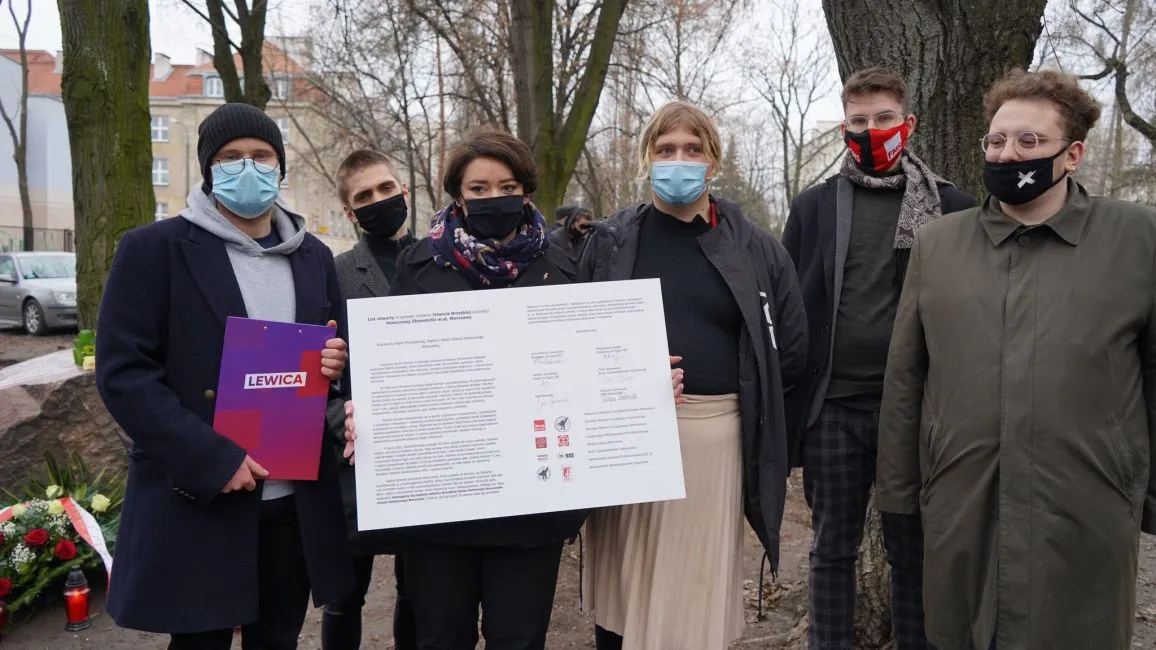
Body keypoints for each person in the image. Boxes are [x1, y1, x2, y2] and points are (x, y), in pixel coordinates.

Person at [876, 68, 1156, 650]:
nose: (1009, 154)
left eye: (1030, 142)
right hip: (963, 501)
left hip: (1087, 506)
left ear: (1073, 154)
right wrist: (901, 495)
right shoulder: (940, 243)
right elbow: (907, 376)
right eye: (998, 141)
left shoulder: (1135, 237)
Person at [94, 102, 355, 650]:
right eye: (230, 157)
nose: (248, 167)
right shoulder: (152, 250)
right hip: (200, 495)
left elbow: (333, 358)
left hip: (292, 500)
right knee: (199, 642)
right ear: (208, 170)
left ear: (279, 167)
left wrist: (335, 364)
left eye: (261, 156)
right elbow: (124, 375)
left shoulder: (313, 257)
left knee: (278, 638)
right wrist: (213, 459)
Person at [341, 130, 594, 650]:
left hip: (533, 510)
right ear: (458, 193)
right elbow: (393, 375)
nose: (492, 197)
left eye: (506, 185)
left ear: (526, 190)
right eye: (478, 188)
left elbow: (587, 368)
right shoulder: (419, 267)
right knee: (439, 639)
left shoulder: (563, 267)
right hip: (440, 509)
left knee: (518, 639)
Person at [578, 100, 808, 650]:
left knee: (691, 592)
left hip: (711, 439)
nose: (677, 160)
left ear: (713, 161)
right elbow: (573, 338)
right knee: (624, 588)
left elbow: (791, 350)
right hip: (625, 437)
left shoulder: (756, 248)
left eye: (691, 149)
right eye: (664, 150)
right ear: (646, 158)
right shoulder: (610, 242)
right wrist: (626, 376)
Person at [781, 67, 976, 650]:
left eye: (884, 118)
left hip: (914, 413)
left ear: (908, 124)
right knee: (832, 548)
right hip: (834, 407)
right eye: (859, 121)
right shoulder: (814, 206)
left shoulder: (951, 207)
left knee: (913, 553)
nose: (871, 130)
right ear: (845, 126)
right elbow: (791, 303)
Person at [322, 149, 417, 650]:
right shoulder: (332, 274)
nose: (379, 201)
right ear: (348, 211)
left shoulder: (438, 263)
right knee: (344, 595)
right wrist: (340, 417)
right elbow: (312, 374)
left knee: (417, 591)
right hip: (354, 462)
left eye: (385, 189)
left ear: (403, 189)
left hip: (425, 456)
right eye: (364, 196)